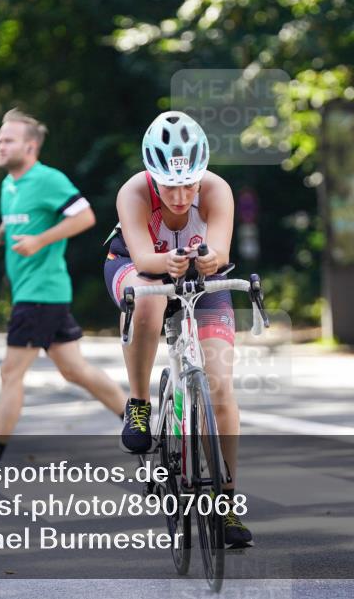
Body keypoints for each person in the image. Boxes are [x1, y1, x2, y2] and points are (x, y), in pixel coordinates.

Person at [103, 110, 252, 547]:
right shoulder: (133, 192)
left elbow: (220, 250)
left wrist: (209, 260)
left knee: (221, 387)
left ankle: (225, 505)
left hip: (199, 276)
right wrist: (165, 265)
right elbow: (145, 257)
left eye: (189, 183)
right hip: (137, 264)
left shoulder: (216, 189)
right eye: (169, 184)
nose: (182, 194)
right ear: (152, 175)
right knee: (149, 300)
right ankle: (139, 402)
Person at [0, 109, 128, 470]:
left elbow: (85, 216)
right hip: (39, 294)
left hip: (39, 293)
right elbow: (16, 218)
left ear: (30, 147)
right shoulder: (9, 185)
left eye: (8, 140)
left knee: (10, 373)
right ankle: (142, 423)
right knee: (75, 370)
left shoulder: (48, 179)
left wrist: (40, 241)